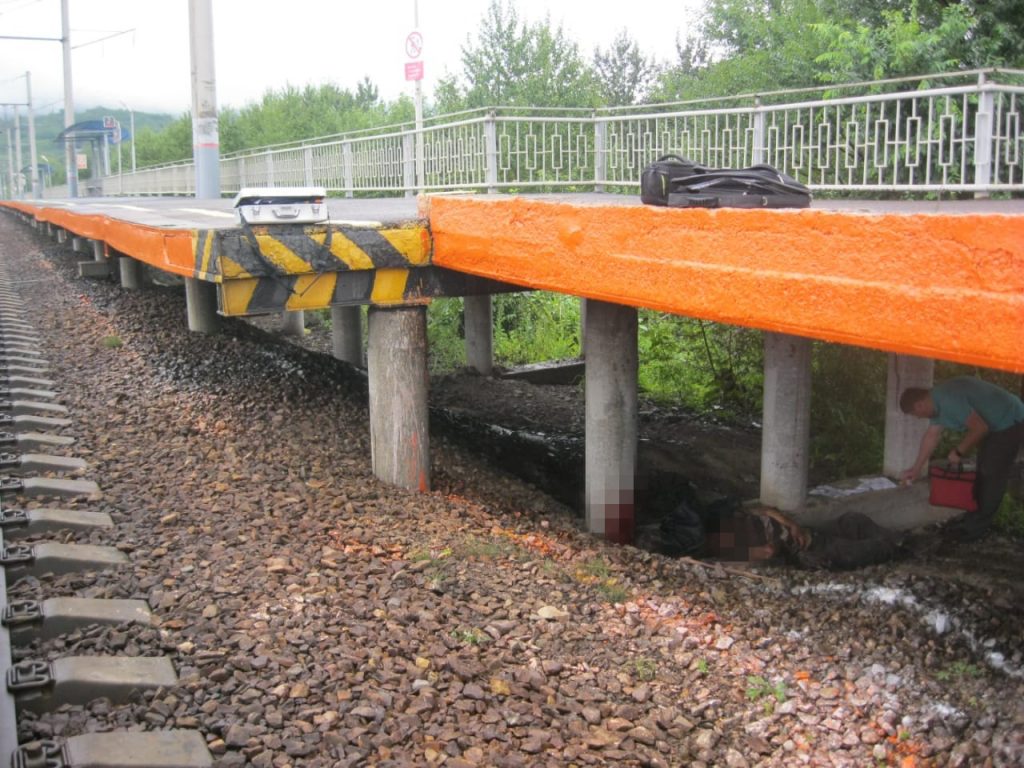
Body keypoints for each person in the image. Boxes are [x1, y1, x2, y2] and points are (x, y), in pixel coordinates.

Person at [899, 376, 1024, 540]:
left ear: (919, 405)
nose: (919, 418)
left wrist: (958, 452)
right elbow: (931, 436)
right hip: (994, 424)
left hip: (1011, 420)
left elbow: (980, 428)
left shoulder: (948, 400)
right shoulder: (936, 403)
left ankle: (974, 530)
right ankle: (971, 521)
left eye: (916, 414)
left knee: (992, 473)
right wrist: (916, 469)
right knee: (983, 470)